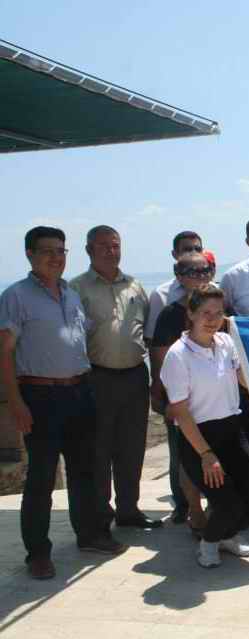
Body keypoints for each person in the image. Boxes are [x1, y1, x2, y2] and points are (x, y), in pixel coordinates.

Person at [0, 227, 127, 580]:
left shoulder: (71, 294)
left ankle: (89, 535)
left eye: (61, 250)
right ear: (29, 254)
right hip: (40, 396)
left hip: (79, 392)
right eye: (47, 251)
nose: (56, 257)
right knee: (40, 479)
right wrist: (16, 403)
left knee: (84, 472)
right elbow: (4, 354)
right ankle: (37, 553)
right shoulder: (16, 297)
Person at [161, 284, 249, 568]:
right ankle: (209, 542)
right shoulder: (177, 355)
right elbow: (180, 412)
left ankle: (226, 536)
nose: (212, 319)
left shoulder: (226, 343)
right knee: (227, 503)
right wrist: (207, 455)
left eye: (218, 313)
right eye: (205, 312)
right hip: (199, 438)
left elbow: (242, 377)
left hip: (232, 430)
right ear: (191, 314)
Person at [70, 226, 160, 531]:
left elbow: (146, 330)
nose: (111, 251)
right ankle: (100, 515)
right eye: (103, 246)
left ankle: (128, 511)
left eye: (115, 245)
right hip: (98, 378)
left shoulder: (135, 286)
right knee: (99, 450)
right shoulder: (77, 289)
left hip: (135, 376)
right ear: (89, 251)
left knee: (132, 448)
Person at [151, 253, 217, 536]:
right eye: (193, 271)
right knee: (188, 460)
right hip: (184, 401)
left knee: (219, 457)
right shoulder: (169, 314)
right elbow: (161, 359)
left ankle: (218, 510)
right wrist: (169, 400)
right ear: (179, 276)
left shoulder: (224, 307)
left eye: (206, 270)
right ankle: (194, 510)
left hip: (217, 400)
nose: (201, 275)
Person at [144, 231, 204, 341]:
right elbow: (151, 338)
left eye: (198, 249)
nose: (193, 253)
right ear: (174, 254)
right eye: (187, 249)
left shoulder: (216, 290)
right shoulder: (160, 294)